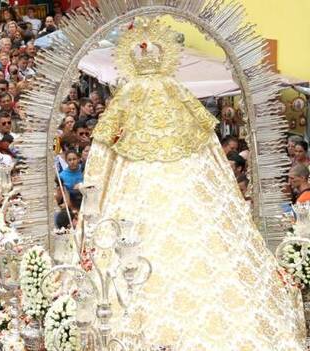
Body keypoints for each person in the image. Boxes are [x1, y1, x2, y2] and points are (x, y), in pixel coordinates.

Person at [82, 20, 303, 349]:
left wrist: (93, 201)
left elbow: (101, 155)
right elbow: (212, 148)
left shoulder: (128, 95)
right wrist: (227, 197)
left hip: (135, 188)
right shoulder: (177, 91)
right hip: (196, 191)